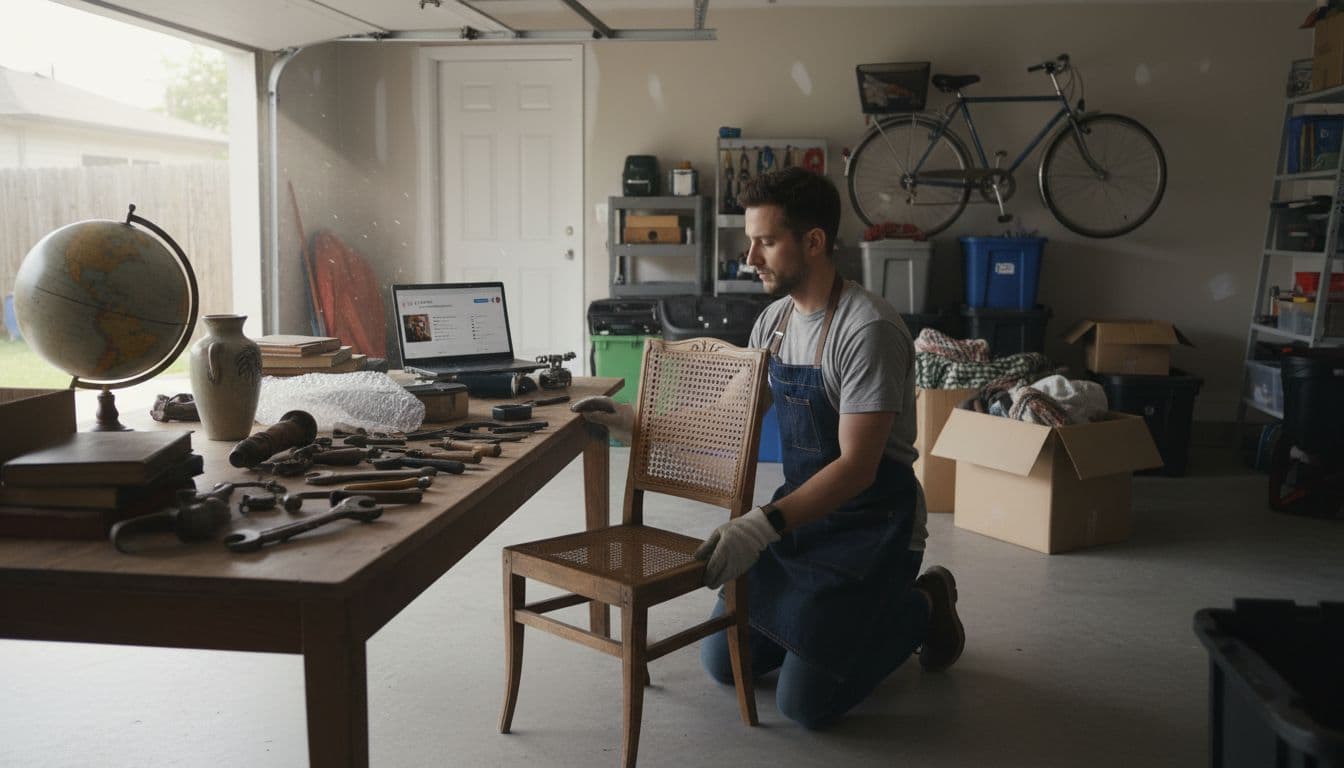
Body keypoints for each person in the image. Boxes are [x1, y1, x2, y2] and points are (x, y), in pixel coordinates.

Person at [572, 166, 963, 729]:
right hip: (803, 521)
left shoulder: (866, 330)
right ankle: (836, 624)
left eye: (766, 242)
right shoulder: (775, 323)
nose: (749, 258)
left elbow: (856, 469)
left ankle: (923, 604)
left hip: (873, 528)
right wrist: (633, 421)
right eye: (749, 241)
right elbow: (730, 418)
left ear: (813, 241)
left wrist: (758, 527)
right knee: (724, 664)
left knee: (804, 705)